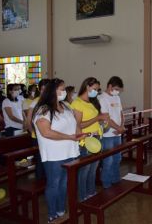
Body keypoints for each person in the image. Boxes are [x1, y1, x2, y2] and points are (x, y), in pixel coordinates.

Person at [32, 78, 84, 223]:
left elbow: (74, 123)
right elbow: (46, 132)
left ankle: (61, 209)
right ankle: (52, 213)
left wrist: (78, 134)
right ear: (52, 91)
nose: (63, 91)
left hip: (70, 151)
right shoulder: (43, 109)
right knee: (54, 183)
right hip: (54, 154)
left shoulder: (65, 106)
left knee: (64, 182)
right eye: (61, 89)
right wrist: (69, 137)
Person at [71, 77, 109, 200]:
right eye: (95, 89)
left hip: (96, 137)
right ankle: (82, 196)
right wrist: (97, 118)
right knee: (85, 170)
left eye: (98, 89)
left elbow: (95, 120)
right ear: (87, 86)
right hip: (85, 140)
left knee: (93, 169)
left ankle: (91, 192)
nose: (96, 92)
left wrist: (102, 123)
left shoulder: (91, 102)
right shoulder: (77, 103)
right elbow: (78, 125)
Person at [98, 76, 125, 188]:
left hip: (117, 133)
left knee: (117, 158)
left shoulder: (117, 97)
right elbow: (106, 118)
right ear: (110, 86)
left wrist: (122, 126)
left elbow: (121, 113)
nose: (117, 91)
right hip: (107, 134)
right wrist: (118, 128)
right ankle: (106, 183)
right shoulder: (101, 98)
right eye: (116, 89)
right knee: (108, 160)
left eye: (119, 89)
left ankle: (116, 179)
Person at [27, 79, 50, 180]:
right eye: (42, 89)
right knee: (40, 161)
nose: (44, 92)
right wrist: (34, 132)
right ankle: (40, 181)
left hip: (50, 136)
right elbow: (29, 120)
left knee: (48, 161)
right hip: (37, 137)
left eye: (46, 89)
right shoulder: (36, 102)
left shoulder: (52, 101)